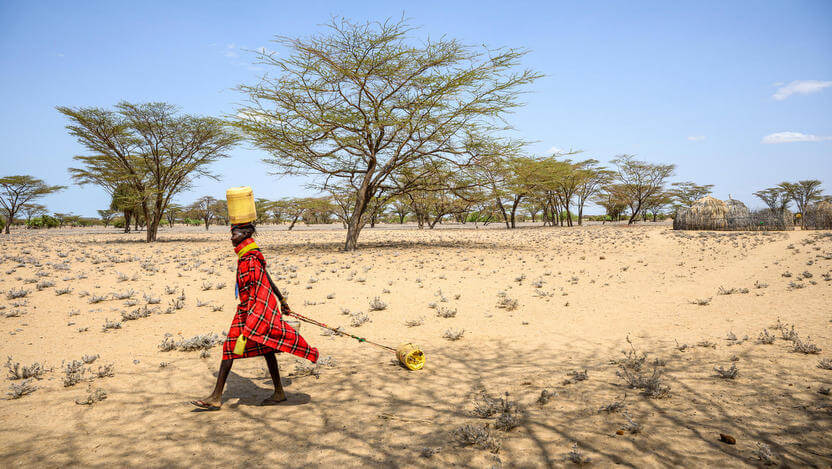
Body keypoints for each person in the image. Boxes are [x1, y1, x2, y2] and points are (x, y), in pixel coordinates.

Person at [191, 222, 319, 410]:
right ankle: (278, 392)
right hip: (252, 308)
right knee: (267, 347)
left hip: (253, 310)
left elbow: (261, 285)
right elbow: (267, 278)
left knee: (230, 348)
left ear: (246, 234)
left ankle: (216, 397)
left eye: (234, 234)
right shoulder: (249, 255)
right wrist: (282, 300)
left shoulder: (250, 258)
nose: (231, 237)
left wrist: (256, 313)